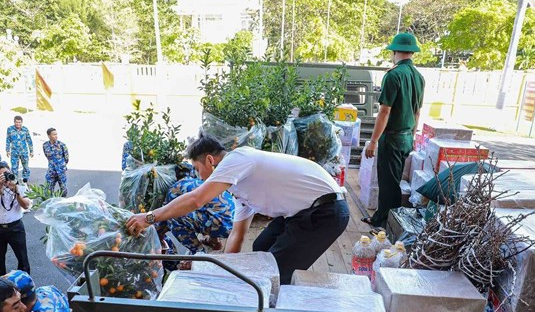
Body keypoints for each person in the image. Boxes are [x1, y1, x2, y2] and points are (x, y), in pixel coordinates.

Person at [127, 137, 350, 284]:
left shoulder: (239, 158)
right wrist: (220, 272)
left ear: (210, 160)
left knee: (273, 272)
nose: (198, 177)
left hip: (325, 212)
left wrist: (149, 218)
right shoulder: (241, 189)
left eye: (197, 169)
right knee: (260, 247)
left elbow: (197, 200)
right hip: (302, 212)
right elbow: (237, 235)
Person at [362, 32, 425, 229]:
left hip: (392, 137)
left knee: (388, 185)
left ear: (395, 51)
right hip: (406, 137)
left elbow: (384, 111)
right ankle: (382, 217)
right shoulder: (419, 77)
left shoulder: (393, 75)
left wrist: (373, 141)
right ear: (412, 52)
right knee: (393, 181)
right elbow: (417, 112)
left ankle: (387, 225)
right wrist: (413, 136)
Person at [162, 177, 234, 255]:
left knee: (172, 217)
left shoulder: (172, 193)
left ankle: (199, 254)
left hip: (225, 225)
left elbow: (161, 223)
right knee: (205, 210)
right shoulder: (190, 182)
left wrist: (159, 238)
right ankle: (213, 241)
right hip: (238, 221)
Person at [0, 162, 31, 277]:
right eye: (0, 175)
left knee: (22, 259)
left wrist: (16, 191)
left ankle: (24, 286)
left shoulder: (19, 184)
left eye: (6, 173)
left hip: (15, 227)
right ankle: (0, 288)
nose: (4, 177)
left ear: (10, 171)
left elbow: (26, 206)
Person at [6, 115, 34, 184]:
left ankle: (25, 180)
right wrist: (7, 150)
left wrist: (31, 151)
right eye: (16, 122)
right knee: (14, 167)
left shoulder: (25, 129)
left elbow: (29, 140)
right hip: (14, 152)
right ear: (14, 122)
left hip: (24, 151)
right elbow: (8, 140)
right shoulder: (10, 129)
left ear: (22, 122)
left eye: (19, 122)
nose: (18, 124)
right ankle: (15, 181)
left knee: (26, 166)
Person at [42, 127, 69, 196]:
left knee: (63, 190)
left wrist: (61, 165)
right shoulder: (45, 145)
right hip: (51, 171)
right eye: (54, 134)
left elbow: (66, 158)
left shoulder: (62, 145)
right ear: (49, 136)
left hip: (61, 171)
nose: (56, 136)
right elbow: (47, 156)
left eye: (56, 134)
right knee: (48, 190)